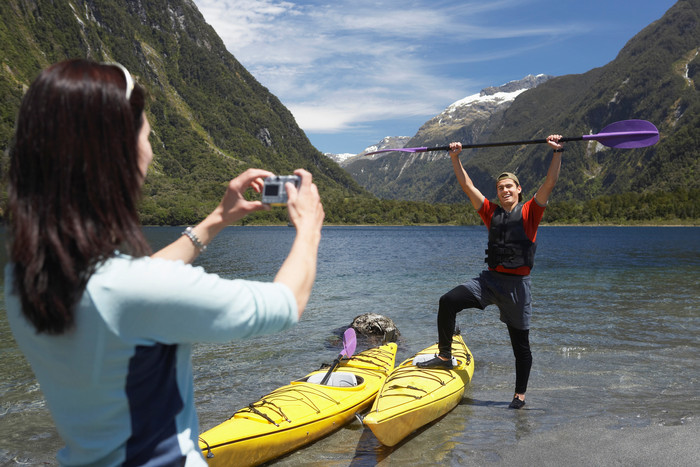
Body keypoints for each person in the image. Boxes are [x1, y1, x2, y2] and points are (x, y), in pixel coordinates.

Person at [5, 59, 324, 465]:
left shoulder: (24, 279)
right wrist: (309, 227)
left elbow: (130, 291)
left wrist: (216, 220)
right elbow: (284, 305)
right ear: (117, 154)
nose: (151, 153)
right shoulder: (131, 291)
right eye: (147, 137)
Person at [416, 135, 563, 410]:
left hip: (517, 288)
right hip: (489, 281)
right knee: (448, 301)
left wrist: (557, 152)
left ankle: (519, 395)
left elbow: (550, 183)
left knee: (520, 344)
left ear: (519, 189)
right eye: (500, 187)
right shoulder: (489, 212)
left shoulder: (531, 211)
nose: (504, 190)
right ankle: (445, 356)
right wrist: (455, 157)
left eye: (509, 186)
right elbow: (467, 185)